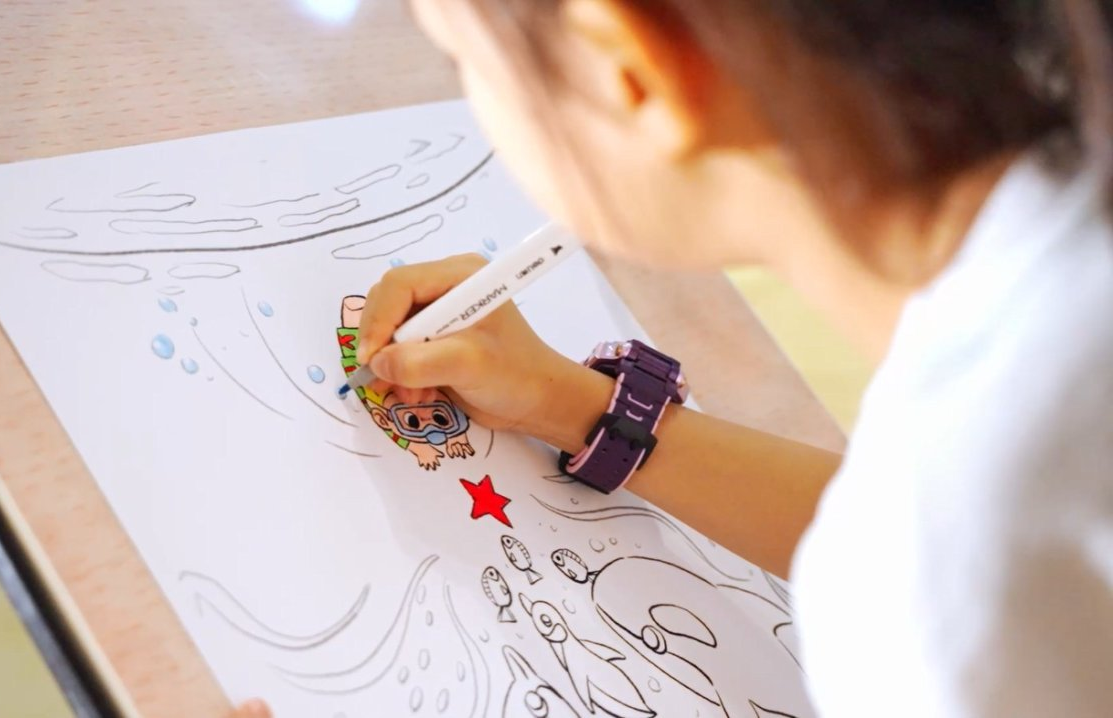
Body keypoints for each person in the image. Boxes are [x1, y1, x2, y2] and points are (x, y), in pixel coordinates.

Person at [233, 0, 1113, 715]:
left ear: (628, 69)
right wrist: (577, 407)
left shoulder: (956, 580)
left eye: (460, 61)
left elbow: (947, 566)